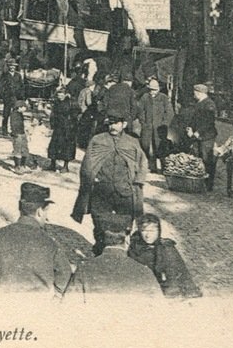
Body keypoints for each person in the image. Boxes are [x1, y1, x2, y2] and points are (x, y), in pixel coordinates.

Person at [0, 183, 73, 294]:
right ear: (40, 211)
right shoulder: (49, 243)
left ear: (20, 208)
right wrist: (55, 301)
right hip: (39, 308)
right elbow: (66, 280)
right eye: (46, 211)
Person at [72, 115, 148, 256]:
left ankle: (121, 253)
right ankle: (100, 253)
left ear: (124, 124)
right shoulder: (98, 140)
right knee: (100, 224)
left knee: (126, 225)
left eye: (116, 123)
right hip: (102, 191)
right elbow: (87, 164)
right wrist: (90, 181)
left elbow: (143, 163)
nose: (112, 127)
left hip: (124, 191)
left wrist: (137, 181)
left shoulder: (132, 142)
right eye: (110, 123)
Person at [68, 212, 162, 299]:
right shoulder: (145, 273)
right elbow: (162, 310)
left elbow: (68, 308)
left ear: (101, 240)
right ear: (127, 240)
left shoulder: (84, 269)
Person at [128, 214, 202, 299]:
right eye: (144, 231)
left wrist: (171, 293)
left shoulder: (165, 248)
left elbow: (173, 274)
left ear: (158, 231)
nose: (147, 235)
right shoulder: (136, 245)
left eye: (152, 231)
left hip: (165, 286)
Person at [136, 77, 173, 174]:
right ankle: (152, 166)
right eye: (151, 90)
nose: (152, 92)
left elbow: (169, 113)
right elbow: (140, 111)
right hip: (147, 126)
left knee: (160, 146)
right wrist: (143, 122)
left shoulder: (163, 98)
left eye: (155, 90)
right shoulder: (145, 97)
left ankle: (164, 167)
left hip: (160, 128)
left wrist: (164, 124)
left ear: (159, 89)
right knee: (145, 145)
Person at [185, 84, 218, 191]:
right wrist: (189, 128)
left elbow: (208, 122)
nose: (193, 94)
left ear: (199, 92)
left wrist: (197, 133)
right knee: (196, 157)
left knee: (207, 159)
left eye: (194, 92)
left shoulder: (209, 104)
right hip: (197, 136)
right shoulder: (199, 103)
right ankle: (197, 182)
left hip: (206, 137)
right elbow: (194, 119)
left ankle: (208, 184)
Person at [47, 87, 79, 172]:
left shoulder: (71, 102)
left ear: (65, 94)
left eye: (61, 94)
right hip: (58, 127)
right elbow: (53, 114)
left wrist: (72, 125)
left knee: (67, 147)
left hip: (68, 128)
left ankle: (65, 166)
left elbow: (76, 113)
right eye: (58, 95)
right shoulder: (56, 102)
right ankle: (52, 164)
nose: (59, 96)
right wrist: (52, 125)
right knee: (54, 145)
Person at [0, 60, 23, 131]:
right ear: (8, 66)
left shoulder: (18, 75)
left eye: (13, 66)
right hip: (7, 97)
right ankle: (4, 129)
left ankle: (14, 129)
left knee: (16, 114)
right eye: (11, 65)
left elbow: (22, 86)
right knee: (6, 114)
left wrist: (21, 97)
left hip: (16, 97)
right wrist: (2, 95)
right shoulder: (5, 75)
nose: (12, 67)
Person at [9, 99, 31, 173]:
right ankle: (17, 167)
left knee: (25, 150)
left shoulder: (20, 114)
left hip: (22, 133)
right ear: (20, 107)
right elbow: (13, 125)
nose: (25, 109)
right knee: (17, 150)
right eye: (24, 107)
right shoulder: (14, 115)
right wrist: (15, 134)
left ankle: (23, 165)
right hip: (17, 134)